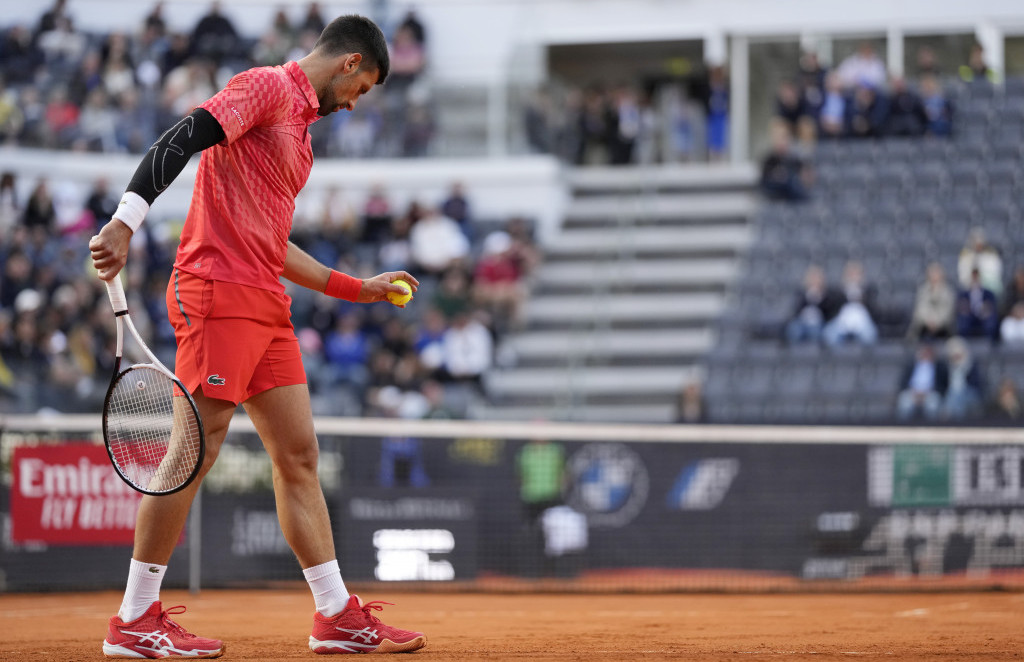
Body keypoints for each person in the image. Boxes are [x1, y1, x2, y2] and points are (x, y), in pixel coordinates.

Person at [88, 15, 426, 657]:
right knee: (195, 449)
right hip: (217, 292)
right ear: (350, 63)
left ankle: (335, 615)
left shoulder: (300, 132)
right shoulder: (268, 87)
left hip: (265, 302)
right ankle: (134, 618)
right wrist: (125, 221)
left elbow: (272, 243)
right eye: (362, 89)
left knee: (298, 455)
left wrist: (359, 287)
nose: (356, 104)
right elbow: (184, 134)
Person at [896, 343, 948, 421]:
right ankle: (903, 426)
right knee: (904, 401)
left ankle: (932, 426)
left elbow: (943, 385)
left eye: (928, 352)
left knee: (933, 403)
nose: (926, 355)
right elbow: (903, 382)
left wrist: (927, 393)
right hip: (912, 393)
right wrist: (913, 392)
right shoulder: (911, 365)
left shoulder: (939, 367)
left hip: (930, 394)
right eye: (924, 352)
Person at [907, 262, 955, 341]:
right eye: (932, 274)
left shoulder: (947, 292)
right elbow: (920, 309)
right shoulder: (923, 290)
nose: (934, 277)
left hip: (942, 327)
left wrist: (936, 322)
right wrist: (928, 321)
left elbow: (947, 312)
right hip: (925, 326)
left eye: (936, 274)